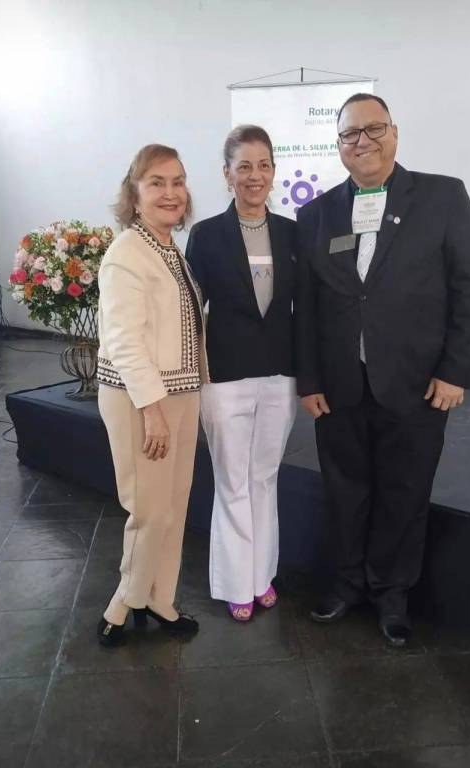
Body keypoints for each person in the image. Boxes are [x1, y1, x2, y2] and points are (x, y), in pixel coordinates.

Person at [295, 94, 470, 646]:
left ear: (395, 133)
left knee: (404, 493)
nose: (363, 141)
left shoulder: (442, 196)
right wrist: (308, 380)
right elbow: (306, 307)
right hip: (339, 385)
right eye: (350, 134)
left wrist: (456, 371)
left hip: (418, 382)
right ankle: (347, 583)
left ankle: (391, 594)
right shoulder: (317, 214)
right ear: (338, 145)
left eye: (373, 129)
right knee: (345, 491)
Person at [96, 144, 208, 646]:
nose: (171, 192)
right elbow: (123, 341)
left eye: (178, 181)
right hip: (141, 400)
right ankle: (123, 604)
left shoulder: (166, 246)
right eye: (157, 182)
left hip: (180, 393)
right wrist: (152, 410)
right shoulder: (127, 253)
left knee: (174, 506)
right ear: (135, 193)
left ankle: (160, 599)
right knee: (148, 509)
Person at [186, 125, 297, 621]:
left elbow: (303, 310)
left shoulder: (292, 233)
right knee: (232, 481)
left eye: (264, 165)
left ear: (274, 171)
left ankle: (262, 576)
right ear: (227, 174)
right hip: (225, 375)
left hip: (279, 375)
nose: (255, 175)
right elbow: (191, 313)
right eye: (244, 166)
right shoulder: (206, 235)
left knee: (265, 477)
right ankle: (236, 584)